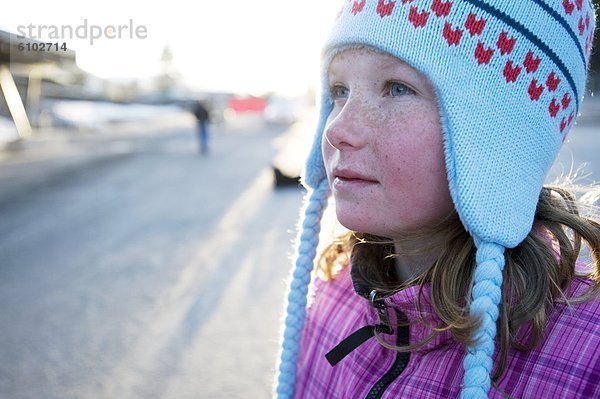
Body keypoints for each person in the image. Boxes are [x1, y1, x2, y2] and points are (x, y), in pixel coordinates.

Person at [275, 1, 600, 398]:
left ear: (502, 135)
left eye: (398, 88)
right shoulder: (335, 291)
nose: (339, 129)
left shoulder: (587, 360)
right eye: (339, 91)